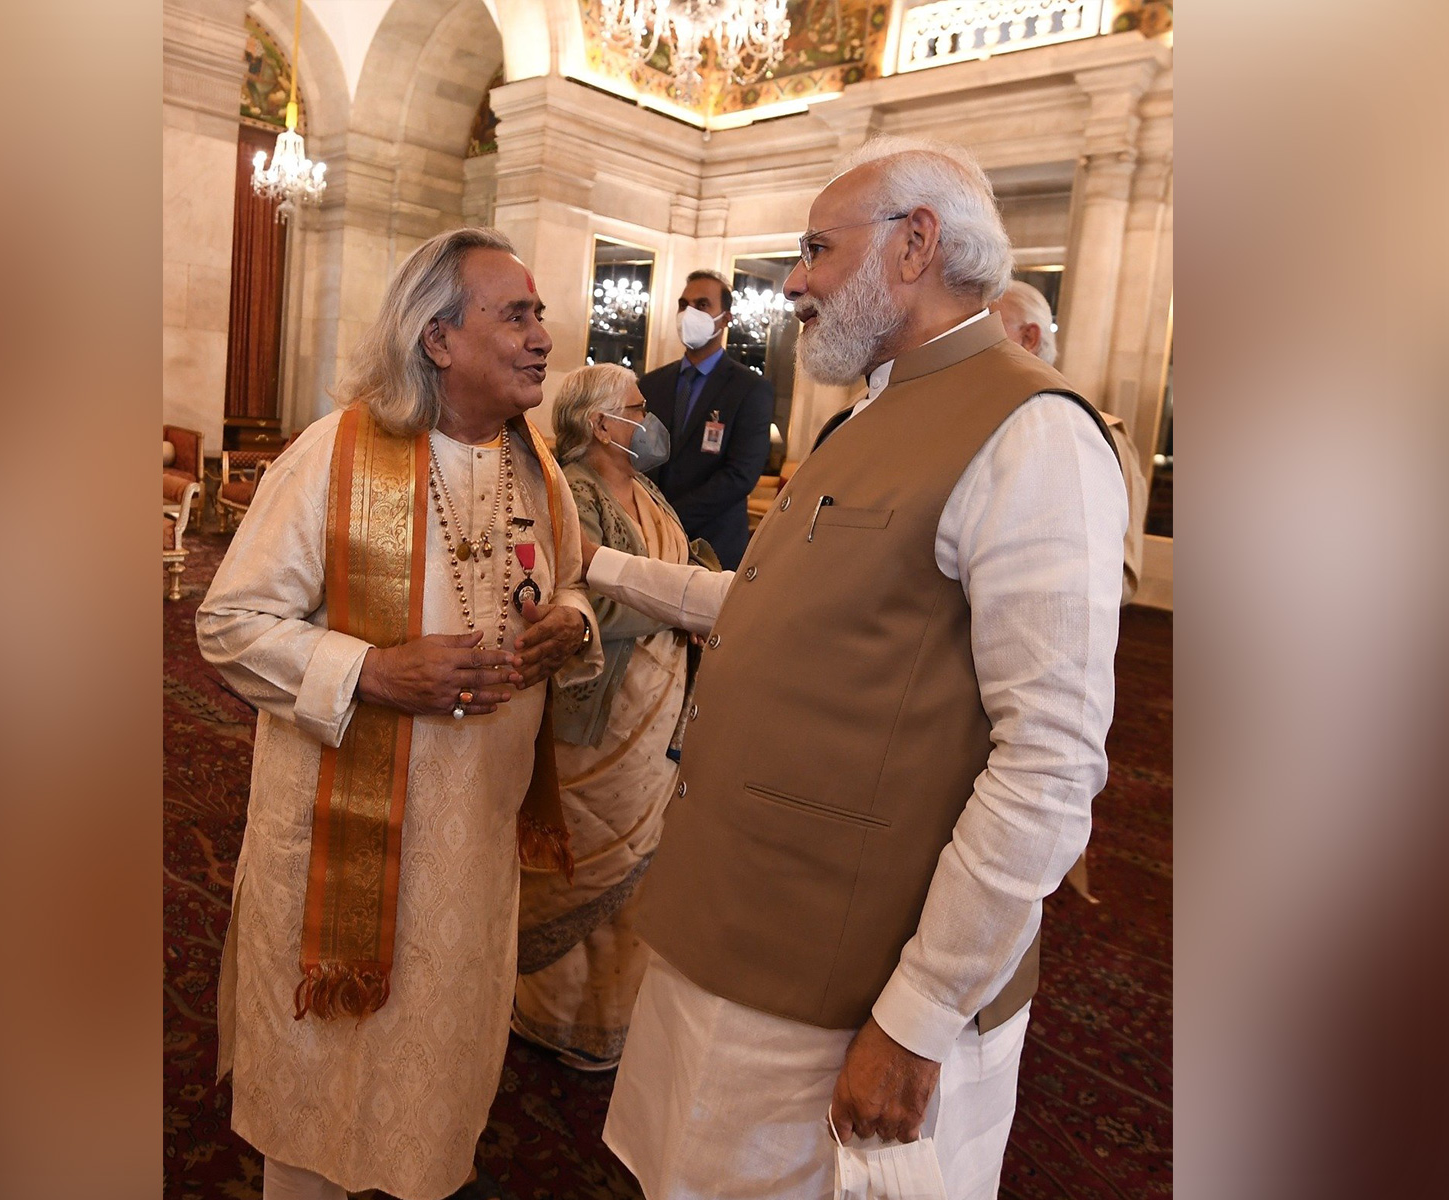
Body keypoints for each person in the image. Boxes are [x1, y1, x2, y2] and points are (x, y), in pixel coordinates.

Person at [589, 136, 1128, 1199]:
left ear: (915, 244)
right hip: (736, 930)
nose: (791, 281)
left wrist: (919, 1015)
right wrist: (601, 566)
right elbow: (779, 617)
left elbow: (1052, 764)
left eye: (815, 248)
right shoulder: (866, 415)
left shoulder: (1033, 436)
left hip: (850, 992)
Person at [196, 227, 603, 1200]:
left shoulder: (536, 471)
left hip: (470, 866)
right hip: (342, 855)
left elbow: (576, 583)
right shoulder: (334, 455)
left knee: (431, 1095)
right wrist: (373, 672)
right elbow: (229, 624)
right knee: (320, 1098)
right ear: (438, 340)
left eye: (540, 313)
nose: (543, 335)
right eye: (516, 313)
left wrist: (572, 626)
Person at [511, 363, 693, 1071]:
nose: (649, 422)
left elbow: (668, 569)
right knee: (584, 862)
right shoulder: (570, 493)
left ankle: (607, 1023)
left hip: (659, 709)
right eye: (637, 408)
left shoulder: (646, 489)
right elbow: (586, 601)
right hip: (597, 718)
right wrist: (689, 599)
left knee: (640, 873)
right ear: (599, 422)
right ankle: (551, 1014)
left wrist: (692, 592)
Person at [996, 279, 1150, 603]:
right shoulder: (976, 425)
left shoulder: (1097, 433)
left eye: (988, 328)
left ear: (1029, 338)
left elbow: (1117, 576)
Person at [638, 268, 776, 568]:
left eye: (702, 305)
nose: (689, 313)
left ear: (725, 318)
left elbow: (740, 475)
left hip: (714, 546)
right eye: (683, 305)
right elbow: (639, 455)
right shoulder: (651, 384)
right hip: (648, 540)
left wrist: (669, 516)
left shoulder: (750, 390)